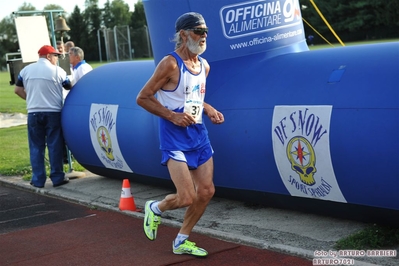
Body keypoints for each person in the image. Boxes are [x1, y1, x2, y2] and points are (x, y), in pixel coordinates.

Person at [136, 12, 224, 257]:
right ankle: (156, 207)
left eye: (206, 31)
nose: (204, 36)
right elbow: (142, 97)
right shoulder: (170, 63)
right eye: (199, 31)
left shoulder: (204, 66)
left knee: (206, 192)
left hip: (198, 133)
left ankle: (181, 240)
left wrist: (207, 108)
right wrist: (172, 116)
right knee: (186, 197)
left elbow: (194, 98)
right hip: (173, 135)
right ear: (184, 35)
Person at [14, 45, 72, 188]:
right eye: (55, 56)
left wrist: (30, 100)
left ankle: (38, 179)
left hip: (33, 112)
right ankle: (57, 177)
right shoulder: (58, 71)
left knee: (36, 147)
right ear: (48, 56)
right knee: (55, 145)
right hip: (53, 113)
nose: (57, 59)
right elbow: (68, 86)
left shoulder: (25, 70)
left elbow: (17, 90)